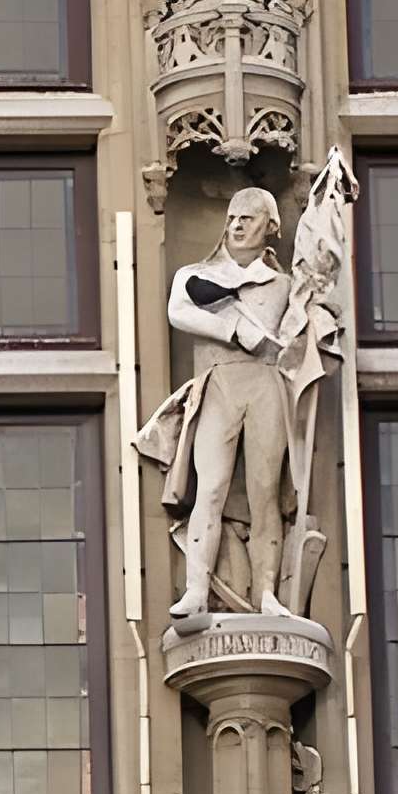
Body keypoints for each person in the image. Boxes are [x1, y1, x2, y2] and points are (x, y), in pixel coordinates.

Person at [146, 186, 304, 626]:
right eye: (232, 217)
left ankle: (268, 591)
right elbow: (180, 310)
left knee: (263, 493)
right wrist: (231, 330)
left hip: (266, 388)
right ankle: (197, 589)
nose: (236, 225)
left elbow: (298, 338)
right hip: (219, 383)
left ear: (270, 228)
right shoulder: (197, 275)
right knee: (210, 486)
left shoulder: (283, 285)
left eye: (248, 219)